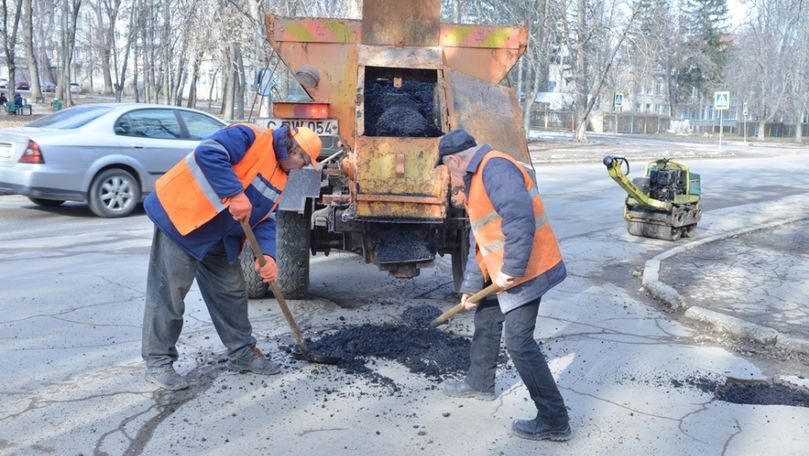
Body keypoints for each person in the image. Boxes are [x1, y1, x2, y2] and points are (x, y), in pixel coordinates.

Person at [141, 123, 322, 391]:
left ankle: (242, 354)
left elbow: (265, 218)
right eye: (303, 161)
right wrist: (235, 193)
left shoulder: (282, 176)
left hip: (219, 235)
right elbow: (209, 153)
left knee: (232, 292)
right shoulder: (249, 136)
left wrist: (270, 256)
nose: (302, 167)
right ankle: (159, 363)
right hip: (183, 219)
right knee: (169, 294)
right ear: (292, 149)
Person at [435, 128, 571, 441]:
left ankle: (554, 420)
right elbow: (481, 238)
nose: (449, 176)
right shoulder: (478, 177)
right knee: (485, 314)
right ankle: (479, 382)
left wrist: (511, 268)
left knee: (519, 343)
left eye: (446, 168)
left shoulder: (496, 169)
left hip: (528, 270)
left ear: (455, 160)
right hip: (507, 271)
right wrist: (471, 286)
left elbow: (519, 219)